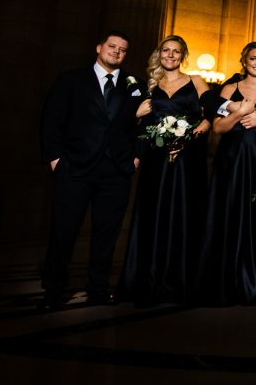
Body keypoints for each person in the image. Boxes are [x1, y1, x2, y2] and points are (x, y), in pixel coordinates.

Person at [39, 30, 146, 309]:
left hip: (115, 171)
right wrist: (55, 159)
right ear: (99, 48)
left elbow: (145, 127)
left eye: (123, 49)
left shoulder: (134, 85)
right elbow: (51, 121)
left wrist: (135, 157)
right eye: (112, 46)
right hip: (75, 167)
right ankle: (53, 291)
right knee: (64, 230)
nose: (116, 52)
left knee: (106, 234)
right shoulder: (71, 80)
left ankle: (98, 289)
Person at [119, 35, 210, 306]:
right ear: (159, 54)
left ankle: (180, 281)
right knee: (154, 213)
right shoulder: (149, 86)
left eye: (177, 51)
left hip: (188, 159)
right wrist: (136, 115)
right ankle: (147, 280)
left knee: (184, 213)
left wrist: (191, 135)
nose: (171, 55)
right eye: (166, 50)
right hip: (157, 160)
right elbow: (140, 126)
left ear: (183, 56)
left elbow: (211, 116)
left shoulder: (196, 81)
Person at [197, 42, 256, 305]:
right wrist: (240, 113)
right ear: (244, 61)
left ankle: (255, 281)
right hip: (232, 161)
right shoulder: (229, 89)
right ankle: (227, 279)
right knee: (230, 212)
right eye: (253, 58)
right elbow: (218, 128)